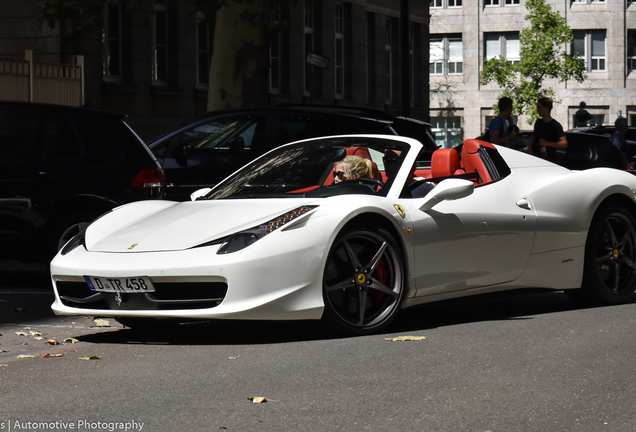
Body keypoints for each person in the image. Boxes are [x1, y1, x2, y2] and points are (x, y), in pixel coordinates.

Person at [528, 97, 567, 162]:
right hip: (536, 157)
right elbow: (534, 136)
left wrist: (547, 143)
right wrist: (529, 148)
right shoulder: (538, 122)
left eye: (539, 107)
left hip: (549, 159)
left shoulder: (555, 125)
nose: (537, 109)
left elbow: (564, 143)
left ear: (546, 108)